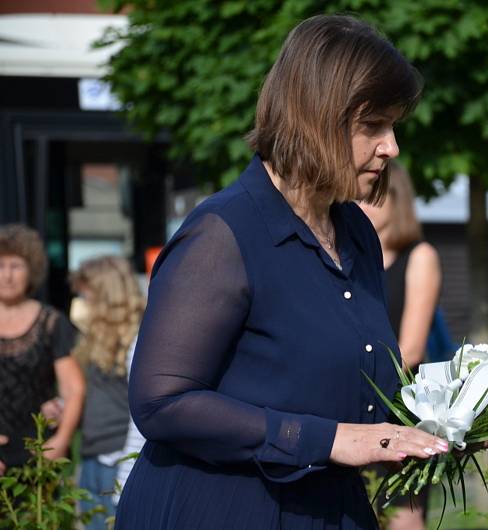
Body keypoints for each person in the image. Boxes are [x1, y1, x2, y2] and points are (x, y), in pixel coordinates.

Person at [115, 15, 449, 530]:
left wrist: (449, 422)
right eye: (373, 126)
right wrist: (334, 439)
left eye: (394, 126)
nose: (392, 147)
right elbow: (161, 401)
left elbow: (350, 393)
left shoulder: (357, 232)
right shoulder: (222, 234)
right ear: (318, 116)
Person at [360, 162, 442, 530]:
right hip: (351, 412)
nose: (361, 206)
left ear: (398, 201)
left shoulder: (419, 256)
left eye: (372, 198)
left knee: (402, 520)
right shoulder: (350, 260)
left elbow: (411, 350)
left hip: (399, 410)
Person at [0, 224, 85, 476]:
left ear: (31, 271)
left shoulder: (51, 321)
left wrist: (61, 441)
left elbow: (74, 389)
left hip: (39, 449)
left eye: (16, 266)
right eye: (1, 266)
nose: (7, 276)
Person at [69, 256, 144, 529]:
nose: (82, 303)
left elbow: (141, 415)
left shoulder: (138, 339)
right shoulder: (93, 340)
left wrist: (125, 476)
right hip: (90, 458)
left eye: (87, 296)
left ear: (107, 296)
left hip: (118, 462)